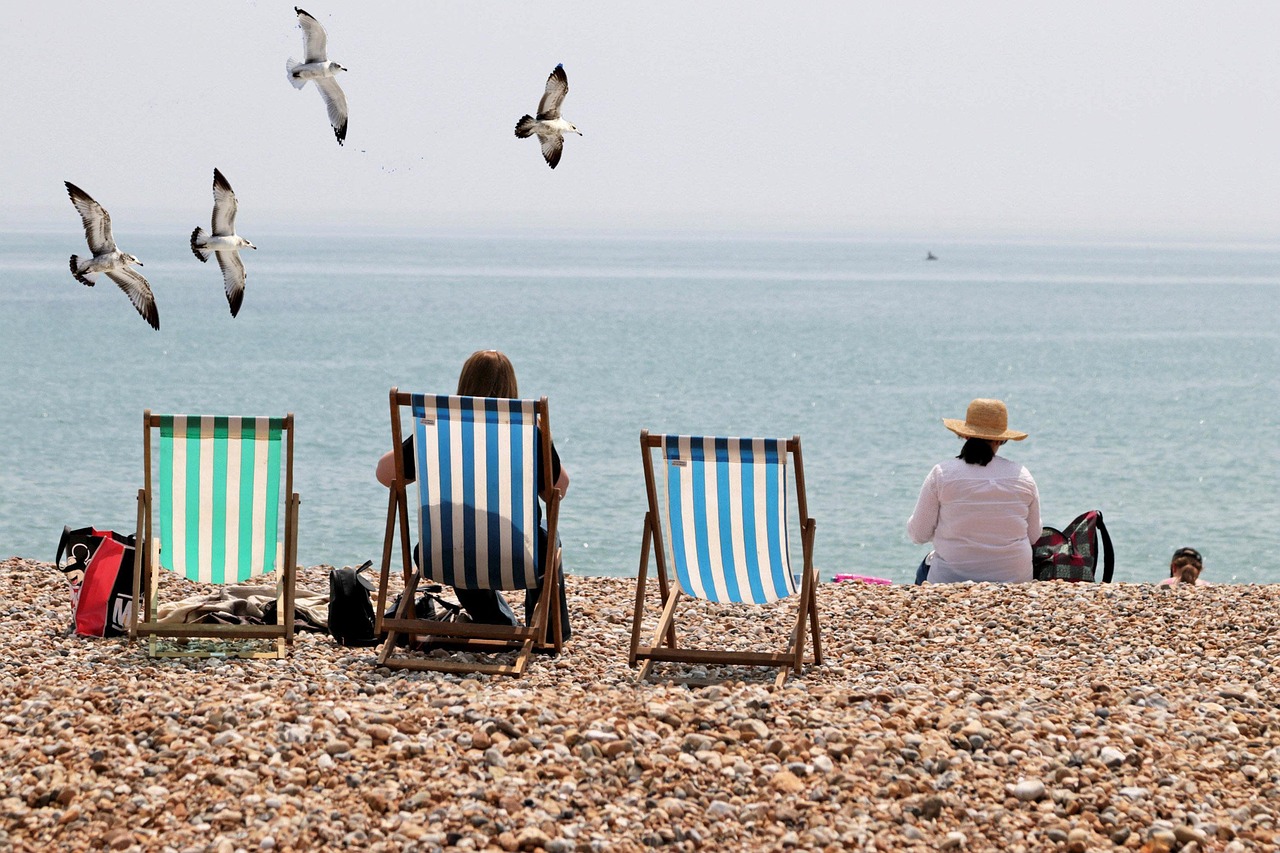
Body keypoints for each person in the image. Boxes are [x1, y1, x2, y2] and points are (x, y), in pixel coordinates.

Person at [375, 349, 572, 638]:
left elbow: (384, 472)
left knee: (460, 538)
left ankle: (496, 622)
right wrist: (544, 441)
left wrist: (421, 439)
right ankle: (549, 633)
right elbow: (558, 490)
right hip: (519, 556)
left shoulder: (438, 429)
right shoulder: (528, 429)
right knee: (548, 539)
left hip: (442, 553)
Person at [907, 398, 1041, 584]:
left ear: (965, 435)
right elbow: (1034, 536)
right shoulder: (1022, 475)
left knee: (925, 568)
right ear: (1001, 439)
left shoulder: (942, 474)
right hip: (1015, 580)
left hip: (949, 580)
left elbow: (918, 534)